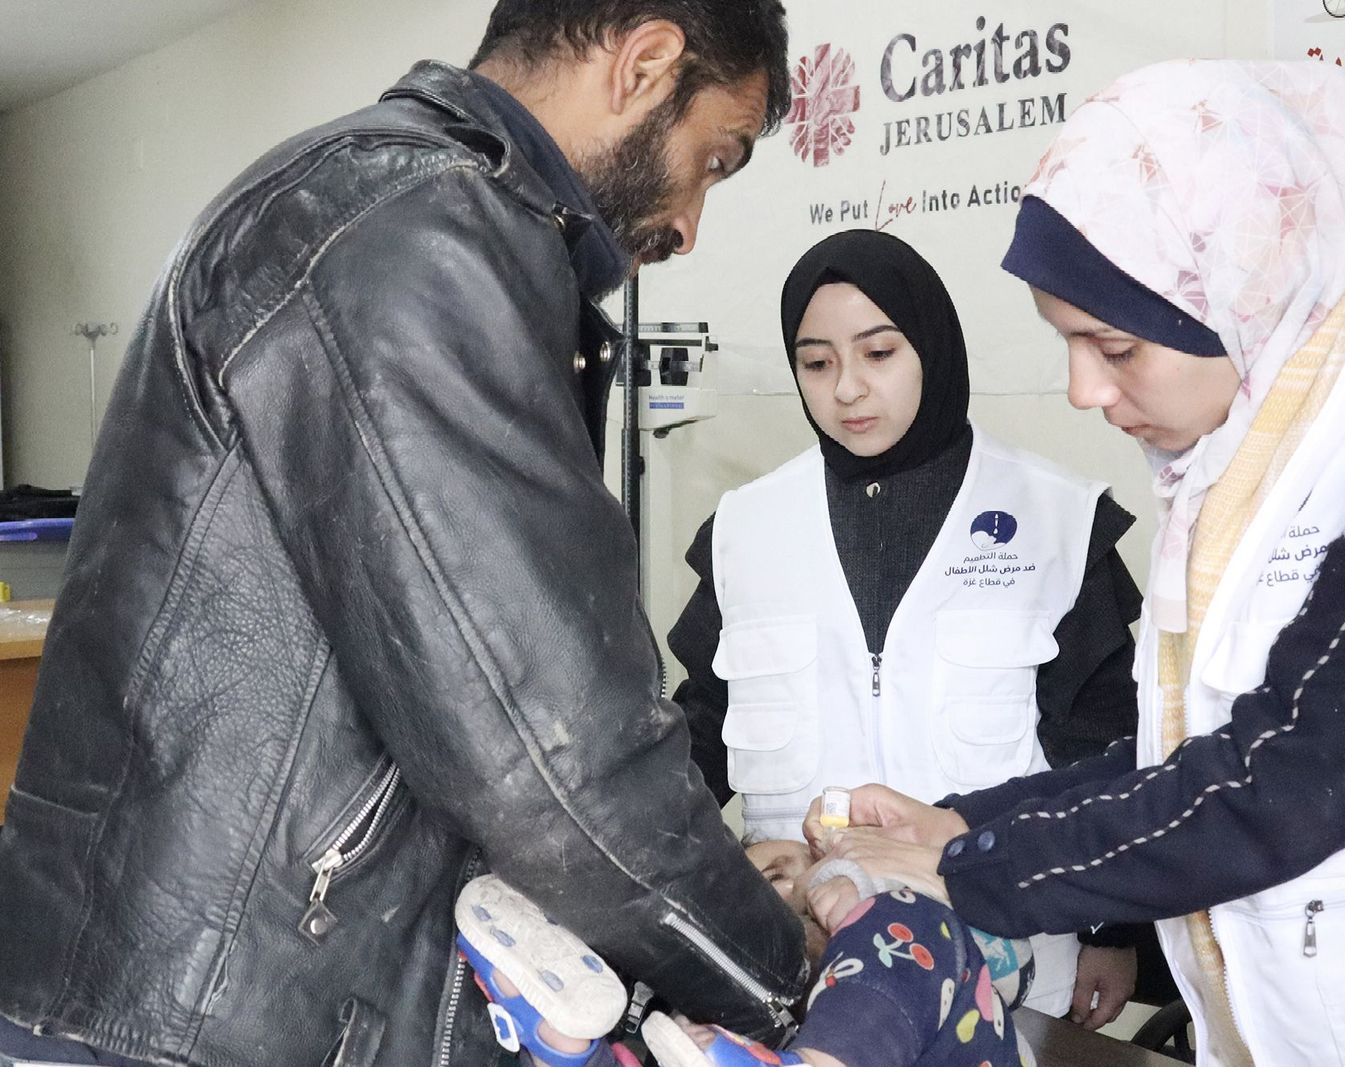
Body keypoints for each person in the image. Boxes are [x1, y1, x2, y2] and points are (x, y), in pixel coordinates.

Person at [0, 3, 811, 1065]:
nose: (691, 223)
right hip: (201, 1017)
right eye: (714, 159)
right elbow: (548, 747)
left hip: (186, 988)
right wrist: (784, 975)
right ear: (648, 64)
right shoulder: (416, 229)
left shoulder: (377, 209)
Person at [803, 59, 1345, 1067]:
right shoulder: (1257, 437)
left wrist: (963, 867)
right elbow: (1185, 746)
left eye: (1112, 347)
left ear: (1237, 289)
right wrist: (964, 817)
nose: (1082, 390)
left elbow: (1294, 770)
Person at [666, 229, 1145, 1025]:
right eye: (817, 363)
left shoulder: (1055, 517)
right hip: (803, 968)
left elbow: (1109, 743)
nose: (847, 389)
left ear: (930, 346)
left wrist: (1115, 928)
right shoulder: (746, 528)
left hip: (1005, 973)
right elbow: (700, 736)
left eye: (879, 353)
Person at [451, 840, 1034, 1067]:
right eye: (751, 887)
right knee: (665, 1039)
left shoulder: (916, 930)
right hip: (754, 1045)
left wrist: (858, 892)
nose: (773, 900)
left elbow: (1006, 951)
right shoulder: (709, 1029)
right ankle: (565, 1042)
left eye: (786, 875)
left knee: (917, 919)